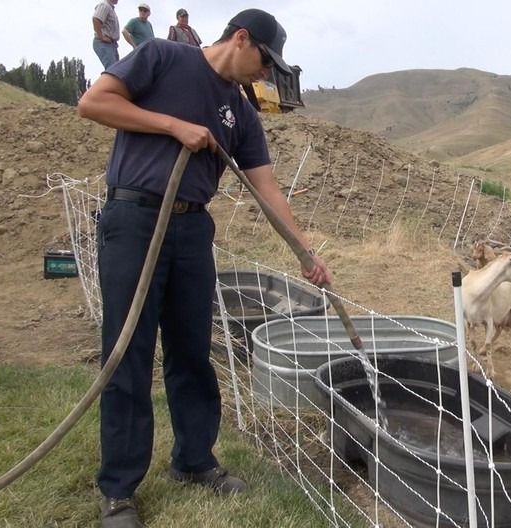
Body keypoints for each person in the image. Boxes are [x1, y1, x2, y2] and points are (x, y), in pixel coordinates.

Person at [77, 8, 332, 528]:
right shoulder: (162, 57)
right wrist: (173, 126)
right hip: (134, 218)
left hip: (192, 231)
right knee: (127, 352)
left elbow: (267, 188)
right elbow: (93, 102)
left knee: (194, 350)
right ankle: (119, 489)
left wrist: (306, 253)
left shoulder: (243, 113)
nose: (267, 74)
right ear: (241, 39)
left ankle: (194, 460)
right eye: (265, 61)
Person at [92, 0, 120, 69]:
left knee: (116, 70)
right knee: (112, 70)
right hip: (103, 43)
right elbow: (96, 19)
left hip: (111, 44)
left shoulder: (110, 8)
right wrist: (101, 36)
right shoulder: (105, 5)